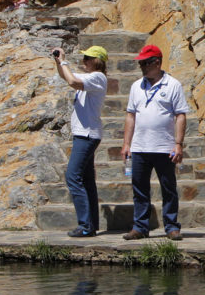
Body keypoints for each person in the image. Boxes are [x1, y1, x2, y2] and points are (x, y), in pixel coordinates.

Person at [120, 44, 190, 240]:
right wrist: (127, 144)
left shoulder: (173, 85)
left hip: (164, 146)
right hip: (140, 146)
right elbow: (130, 116)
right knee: (139, 188)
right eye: (140, 63)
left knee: (168, 188)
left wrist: (178, 144)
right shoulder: (136, 86)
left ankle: (171, 226)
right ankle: (140, 227)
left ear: (157, 63)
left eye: (145, 63)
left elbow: (180, 115)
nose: (141, 67)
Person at [53, 45, 109, 238]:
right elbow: (65, 76)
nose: (84, 60)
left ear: (97, 61)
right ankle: (91, 224)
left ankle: (85, 225)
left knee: (72, 177)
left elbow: (72, 81)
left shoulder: (98, 77)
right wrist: (58, 62)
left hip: (87, 135)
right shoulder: (90, 77)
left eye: (87, 58)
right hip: (84, 134)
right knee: (86, 180)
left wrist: (64, 62)